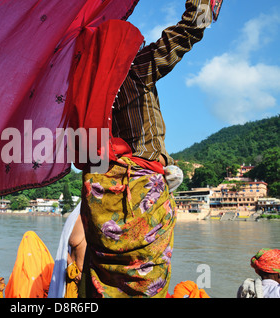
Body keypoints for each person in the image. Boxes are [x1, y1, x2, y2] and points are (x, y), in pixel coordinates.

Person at [78, 0, 223, 298]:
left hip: (101, 191)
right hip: (142, 185)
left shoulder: (87, 88)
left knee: (105, 277)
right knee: (145, 278)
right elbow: (186, 33)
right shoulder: (133, 69)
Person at [6, 231, 54, 298]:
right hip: (41, 292)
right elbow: (50, 276)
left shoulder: (23, 255)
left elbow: (16, 275)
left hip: (25, 293)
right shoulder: (44, 255)